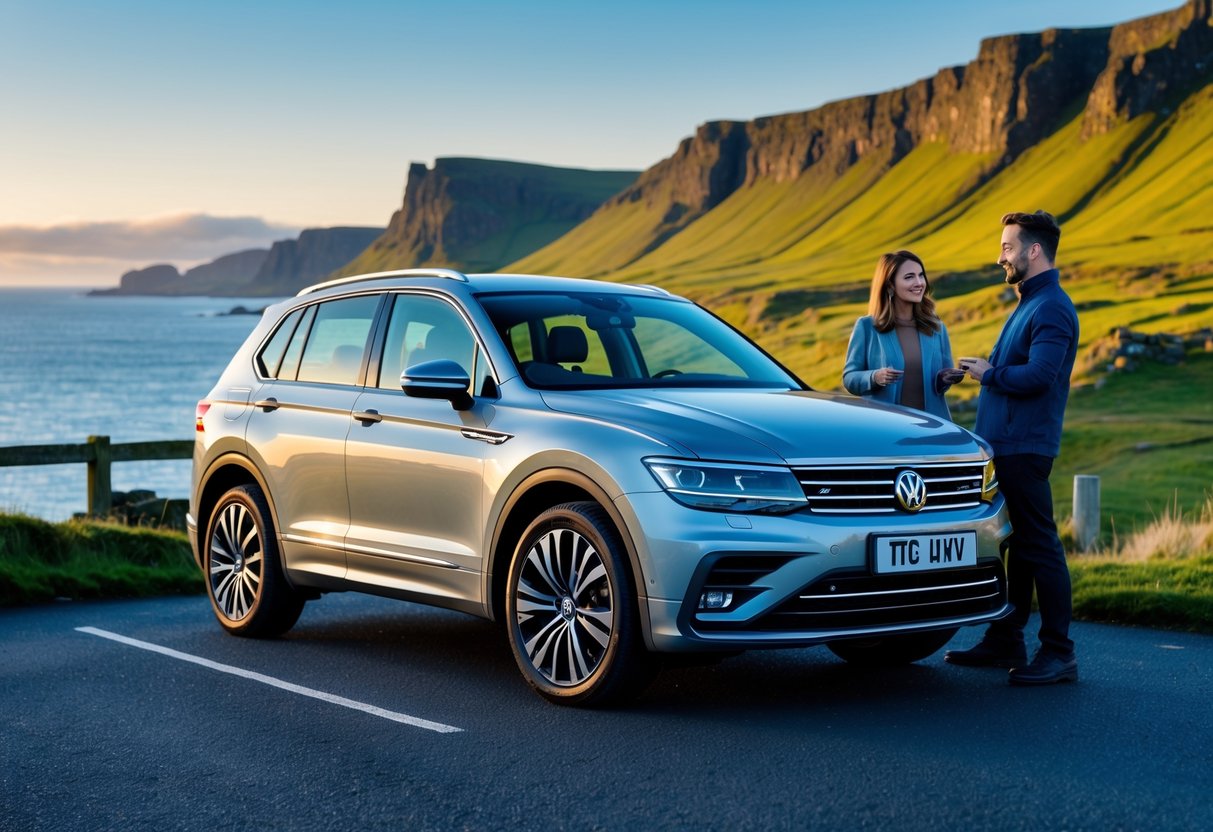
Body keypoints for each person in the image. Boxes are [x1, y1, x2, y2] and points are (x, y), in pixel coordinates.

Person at [945, 210, 1081, 686]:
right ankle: (1006, 639)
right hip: (1006, 446)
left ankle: (1059, 652)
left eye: (1007, 247)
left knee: (1040, 547)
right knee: (1018, 548)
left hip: (1025, 448)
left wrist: (990, 373)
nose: (1000, 256)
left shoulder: (1052, 308)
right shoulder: (1029, 303)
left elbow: (1041, 376)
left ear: (1034, 250)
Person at [843, 250, 965, 420]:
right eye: (909, 277)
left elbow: (941, 384)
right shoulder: (867, 327)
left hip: (934, 426)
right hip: (887, 428)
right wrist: (874, 377)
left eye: (921, 275)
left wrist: (945, 378)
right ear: (890, 285)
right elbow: (849, 378)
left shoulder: (937, 327)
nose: (919, 282)